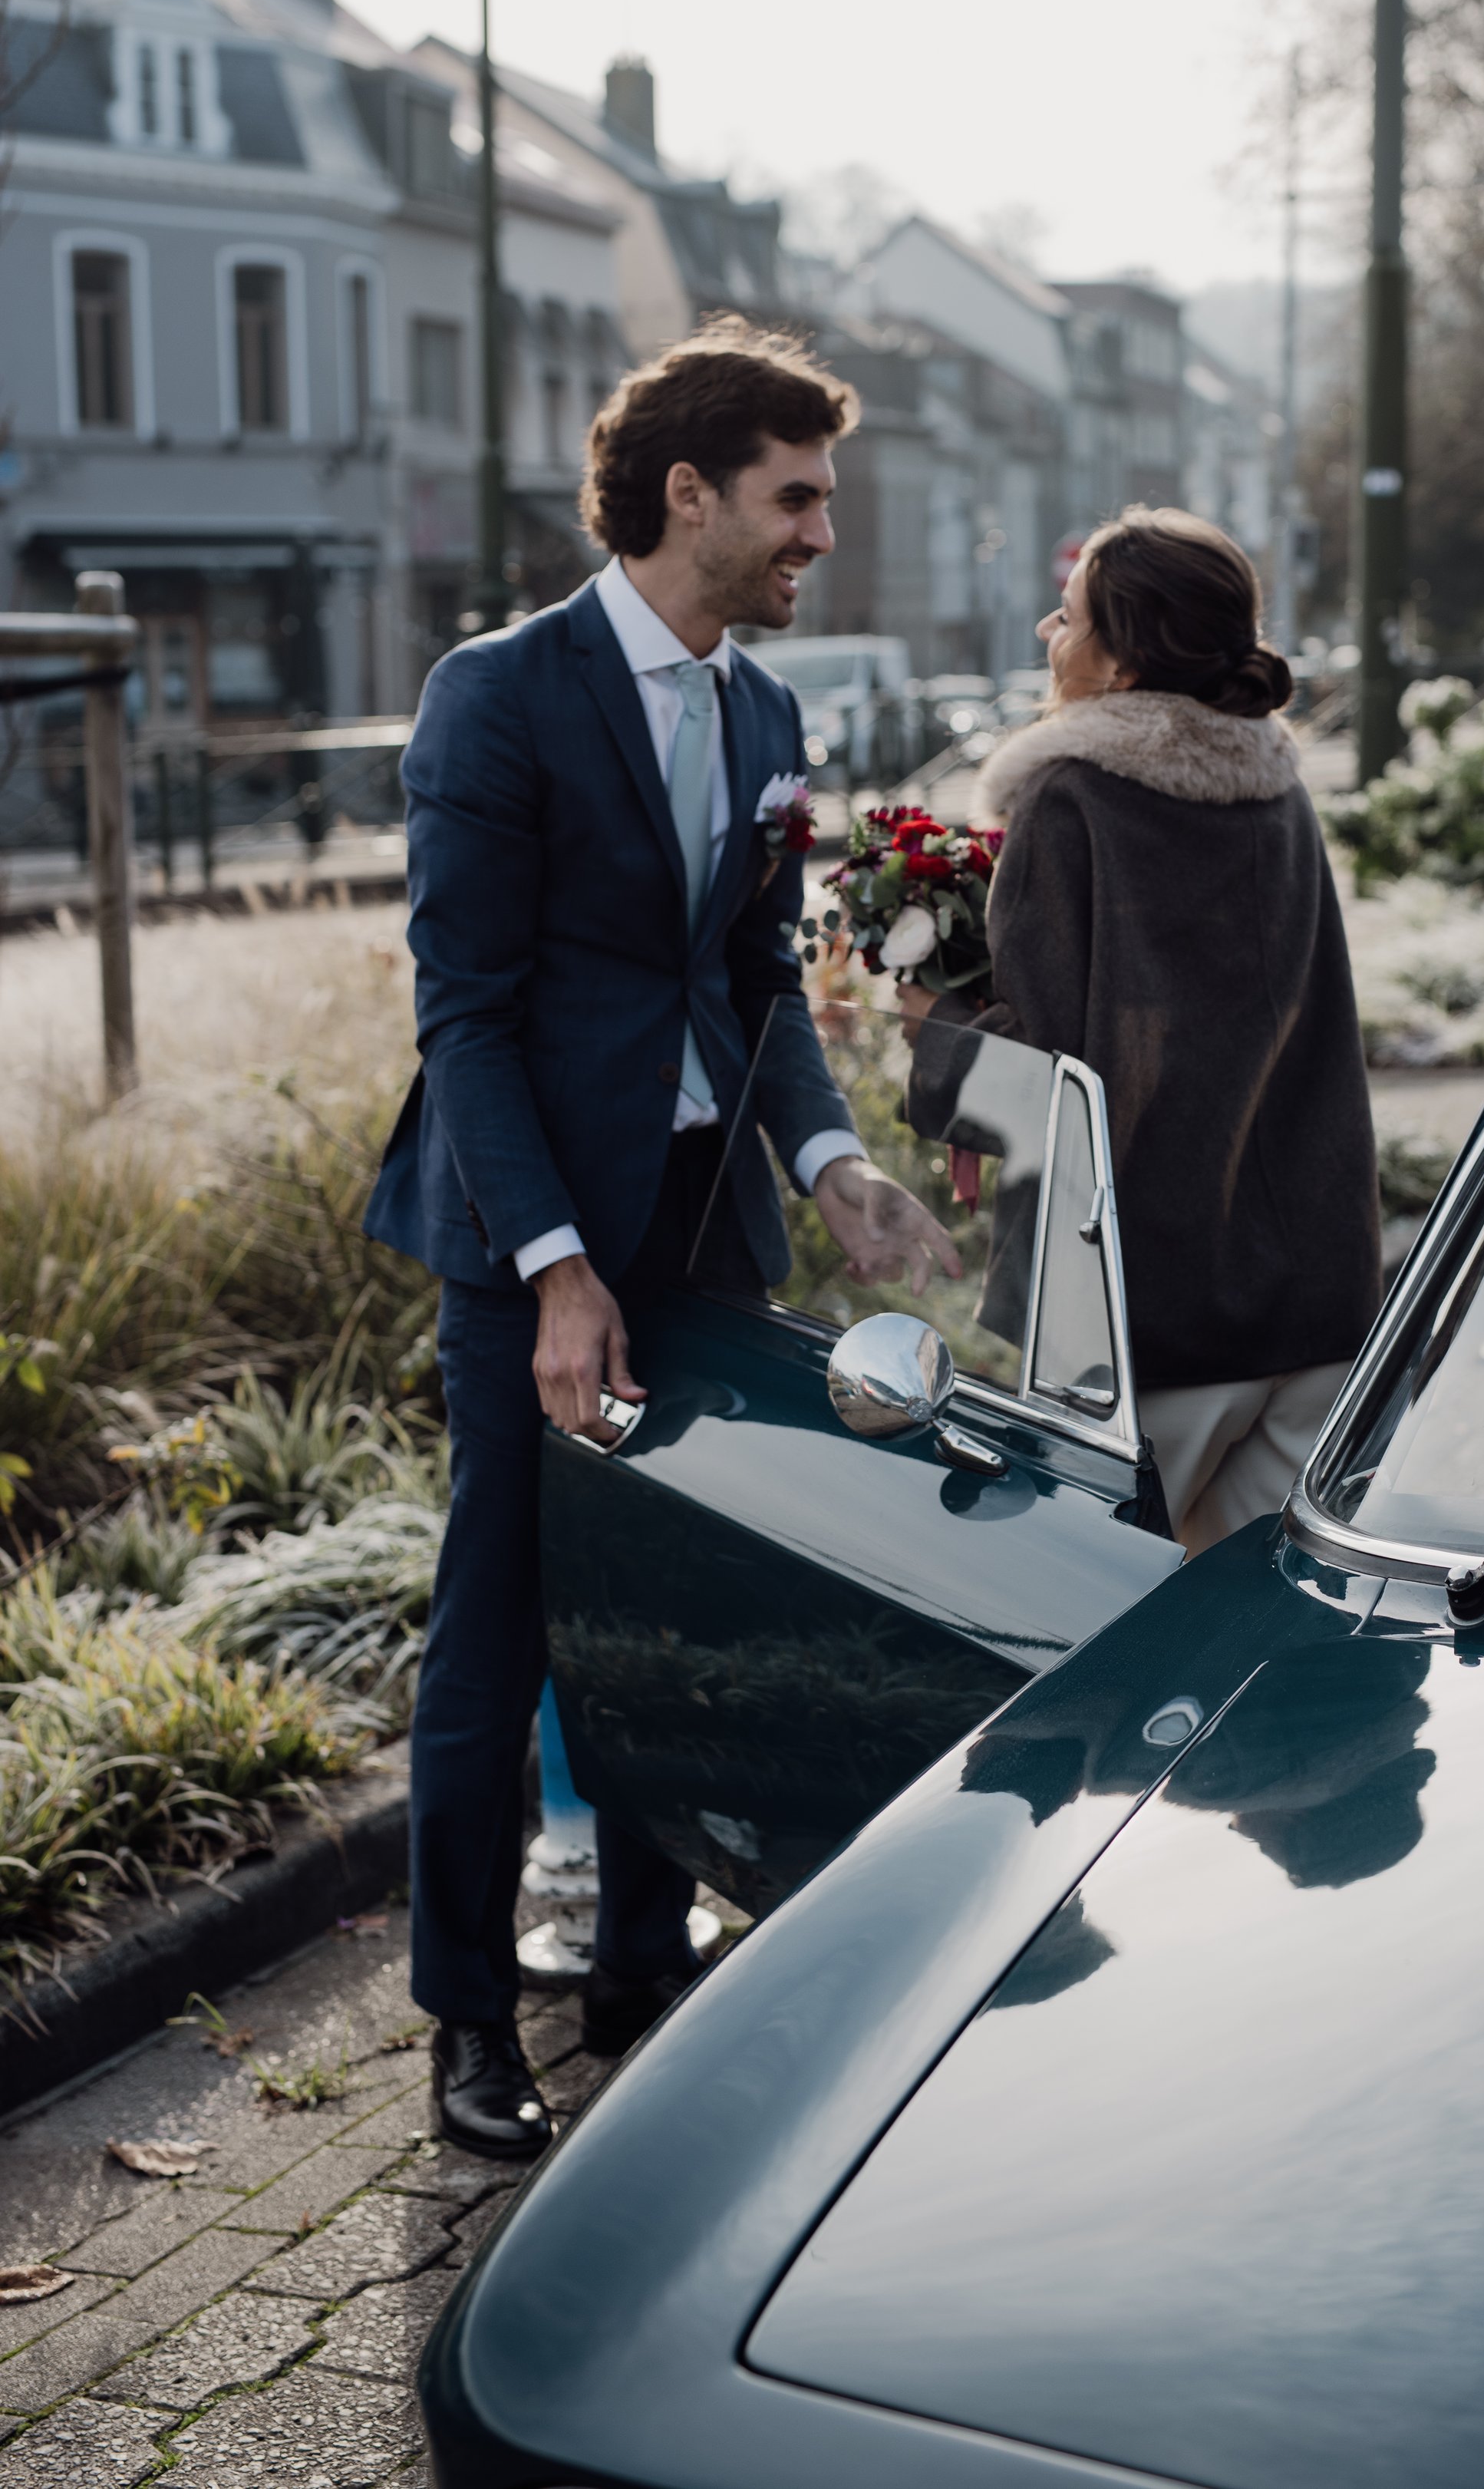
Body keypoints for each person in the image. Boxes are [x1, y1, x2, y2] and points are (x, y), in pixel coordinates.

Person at [367, 316, 956, 2161]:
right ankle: (468, 2015)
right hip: (534, 1244)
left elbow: (754, 975)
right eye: (796, 500)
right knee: (501, 1628)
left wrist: (831, 1160)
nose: (819, 537)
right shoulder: (499, 691)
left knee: (674, 1600)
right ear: (684, 492)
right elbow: (462, 1007)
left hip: (707, 1238)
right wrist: (550, 1263)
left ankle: (638, 1957)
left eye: (826, 502)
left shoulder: (767, 713)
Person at [903, 505, 1378, 1555]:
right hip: (1318, 1301)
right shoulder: (1280, 792)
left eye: (1068, 616)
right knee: (1270, 1653)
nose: (1046, 632)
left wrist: (931, 1028)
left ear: (1122, 665)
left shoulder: (1071, 802)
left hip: (1142, 1318)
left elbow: (1046, 1083)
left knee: (1103, 1650)